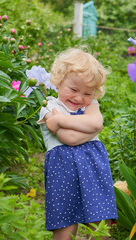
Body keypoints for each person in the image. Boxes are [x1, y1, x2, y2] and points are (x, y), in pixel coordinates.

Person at [37, 47, 118, 240]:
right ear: (58, 81)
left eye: (88, 93)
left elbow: (96, 123)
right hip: (62, 174)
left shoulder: (91, 105)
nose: (79, 98)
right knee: (65, 227)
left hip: (94, 169)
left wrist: (60, 121)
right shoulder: (49, 107)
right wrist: (89, 129)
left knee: (100, 226)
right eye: (73, 90)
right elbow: (69, 139)